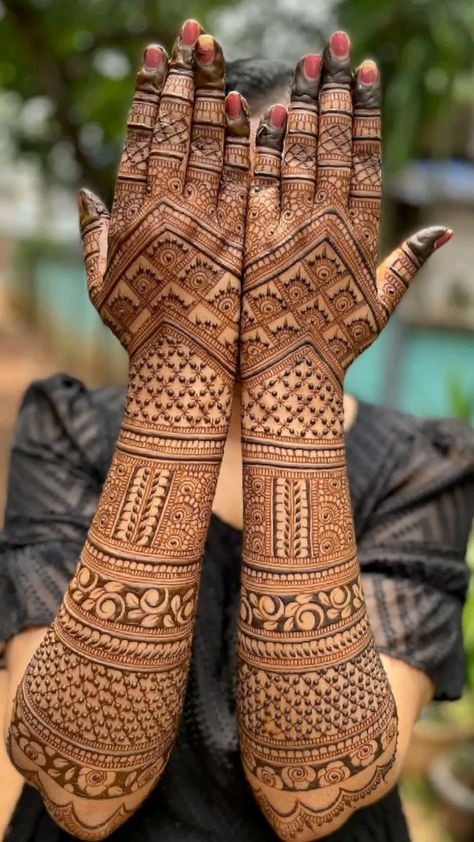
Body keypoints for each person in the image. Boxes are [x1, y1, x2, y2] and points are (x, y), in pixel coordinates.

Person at [0, 17, 473, 842]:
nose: (247, 262)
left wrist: (294, 377)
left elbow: (309, 799)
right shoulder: (67, 425)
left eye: (287, 215)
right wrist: (180, 376)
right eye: (216, 221)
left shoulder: (423, 465)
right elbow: (85, 794)